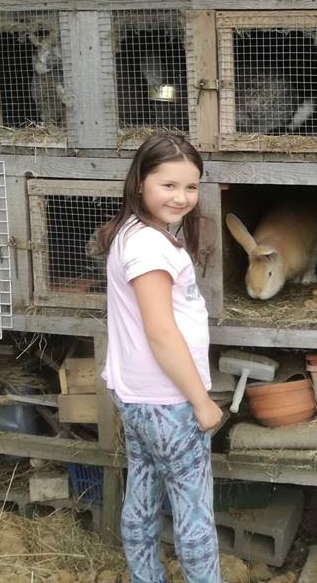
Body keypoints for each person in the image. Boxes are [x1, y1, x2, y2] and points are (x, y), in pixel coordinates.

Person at [95, 132, 223, 583]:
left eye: (191, 186)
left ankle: (145, 577)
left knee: (143, 492)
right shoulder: (150, 247)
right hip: (168, 399)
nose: (182, 197)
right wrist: (201, 402)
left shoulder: (133, 232)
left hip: (135, 395)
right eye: (168, 185)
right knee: (194, 511)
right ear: (140, 183)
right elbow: (161, 332)